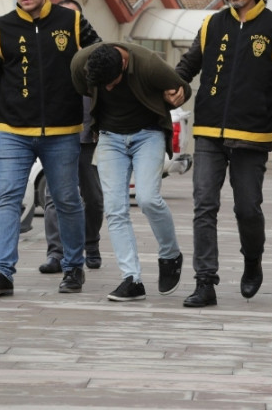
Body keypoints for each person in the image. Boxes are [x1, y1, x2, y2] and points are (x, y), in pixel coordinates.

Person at [170, 0, 272, 308]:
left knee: (247, 208)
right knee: (204, 205)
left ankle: (252, 260)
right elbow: (187, 65)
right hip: (208, 131)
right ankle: (205, 282)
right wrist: (175, 84)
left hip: (252, 135)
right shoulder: (212, 24)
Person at [0, 0, 100, 297]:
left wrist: (103, 112)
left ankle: (73, 267)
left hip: (62, 132)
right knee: (7, 199)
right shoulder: (1, 27)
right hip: (12, 132)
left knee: (67, 200)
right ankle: (1, 272)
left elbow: (101, 61)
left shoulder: (72, 22)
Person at [71, 42, 191, 302]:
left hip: (148, 135)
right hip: (109, 138)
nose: (108, 89)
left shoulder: (149, 64)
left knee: (148, 199)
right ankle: (131, 279)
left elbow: (184, 89)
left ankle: (170, 255)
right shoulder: (81, 63)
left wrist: (175, 97)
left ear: (124, 64)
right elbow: (81, 88)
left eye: (112, 83)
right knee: (115, 208)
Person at [39, 0, 104, 274]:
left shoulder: (94, 56)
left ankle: (91, 243)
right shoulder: (47, 54)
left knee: (94, 198)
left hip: (87, 137)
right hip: (56, 136)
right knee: (54, 198)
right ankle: (56, 253)